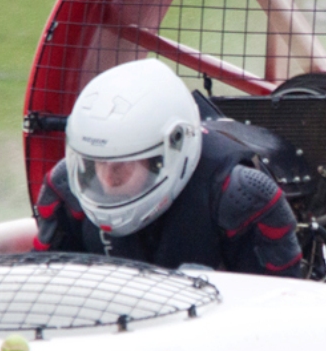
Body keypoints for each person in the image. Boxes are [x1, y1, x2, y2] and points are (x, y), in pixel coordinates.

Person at [32, 59, 303, 277]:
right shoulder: (66, 189)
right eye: (95, 164)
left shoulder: (243, 196)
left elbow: (278, 307)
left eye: (121, 165)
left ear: (171, 152)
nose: (107, 180)